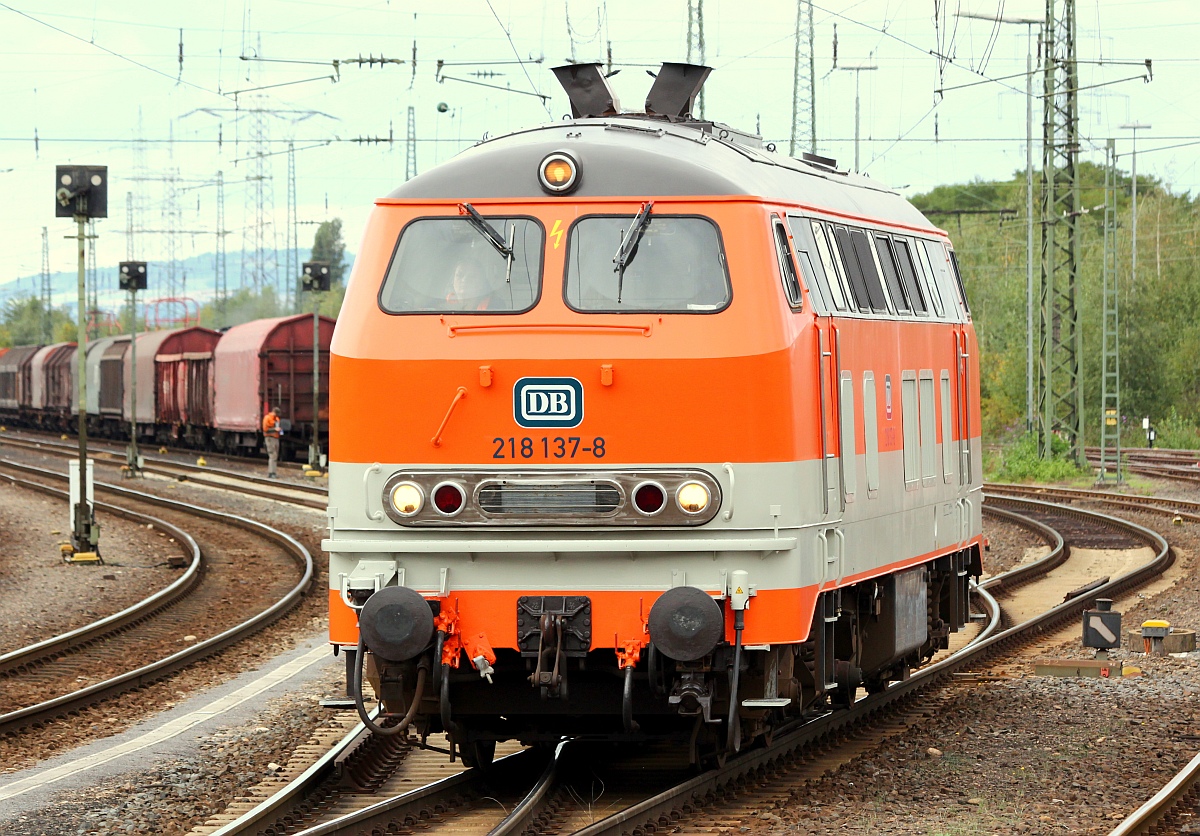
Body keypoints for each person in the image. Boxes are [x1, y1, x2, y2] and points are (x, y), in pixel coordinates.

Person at [263, 406, 282, 478]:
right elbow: (265, 429)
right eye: (276, 414)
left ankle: (273, 472)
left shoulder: (276, 419)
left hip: (276, 438)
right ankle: (271, 473)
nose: (276, 416)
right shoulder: (267, 418)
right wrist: (275, 429)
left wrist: (279, 430)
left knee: (275, 456)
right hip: (269, 438)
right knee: (272, 455)